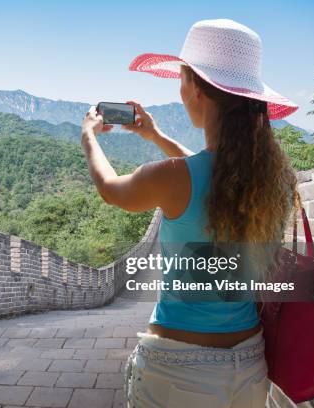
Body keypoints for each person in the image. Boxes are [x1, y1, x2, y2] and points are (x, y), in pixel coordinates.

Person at [80, 19, 299, 408]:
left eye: (181, 79)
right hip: (250, 362)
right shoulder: (275, 180)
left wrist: (88, 137)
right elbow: (210, 175)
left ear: (195, 87)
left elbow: (111, 190)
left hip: (178, 368)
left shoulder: (172, 178)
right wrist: (155, 136)